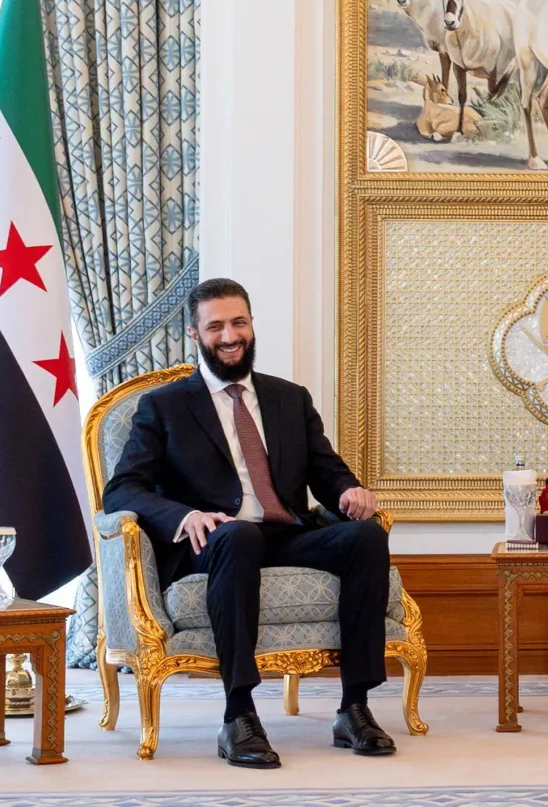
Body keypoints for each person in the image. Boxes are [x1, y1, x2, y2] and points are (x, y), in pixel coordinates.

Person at [103, 278, 396, 768]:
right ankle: (238, 716)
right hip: (216, 540)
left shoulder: (290, 398)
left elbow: (327, 470)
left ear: (252, 325)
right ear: (196, 334)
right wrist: (186, 515)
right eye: (215, 325)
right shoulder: (165, 406)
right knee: (237, 535)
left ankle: (354, 708)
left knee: (365, 537)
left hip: (285, 533)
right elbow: (122, 490)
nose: (229, 334)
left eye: (238, 322)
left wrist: (348, 489)